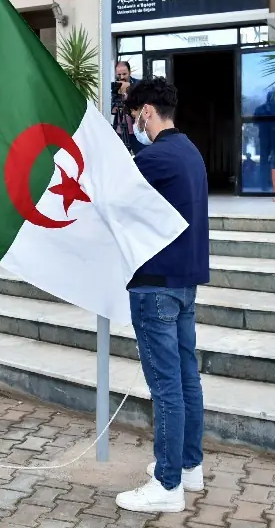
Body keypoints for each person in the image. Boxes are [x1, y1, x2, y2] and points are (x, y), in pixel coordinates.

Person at [115, 78, 210, 513]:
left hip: (155, 287)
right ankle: (189, 468)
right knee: (186, 379)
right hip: (184, 285)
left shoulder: (154, 157)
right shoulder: (189, 152)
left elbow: (110, 194)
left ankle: (167, 486)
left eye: (135, 116)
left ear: (147, 113)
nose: (135, 123)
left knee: (166, 387)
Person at [111, 61, 144, 155]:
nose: (121, 77)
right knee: (120, 157)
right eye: (119, 74)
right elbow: (112, 109)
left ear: (130, 72)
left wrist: (129, 89)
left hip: (136, 130)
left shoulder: (138, 84)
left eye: (124, 74)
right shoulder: (115, 87)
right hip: (120, 129)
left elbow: (143, 100)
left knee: (141, 155)